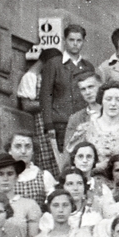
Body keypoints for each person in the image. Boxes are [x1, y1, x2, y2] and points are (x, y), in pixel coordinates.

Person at [39, 24, 96, 155]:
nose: (75, 44)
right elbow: (45, 95)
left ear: (83, 42)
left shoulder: (88, 67)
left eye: (79, 40)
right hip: (61, 123)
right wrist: (48, 124)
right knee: (63, 160)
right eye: (71, 40)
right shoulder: (54, 64)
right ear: (64, 40)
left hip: (84, 123)